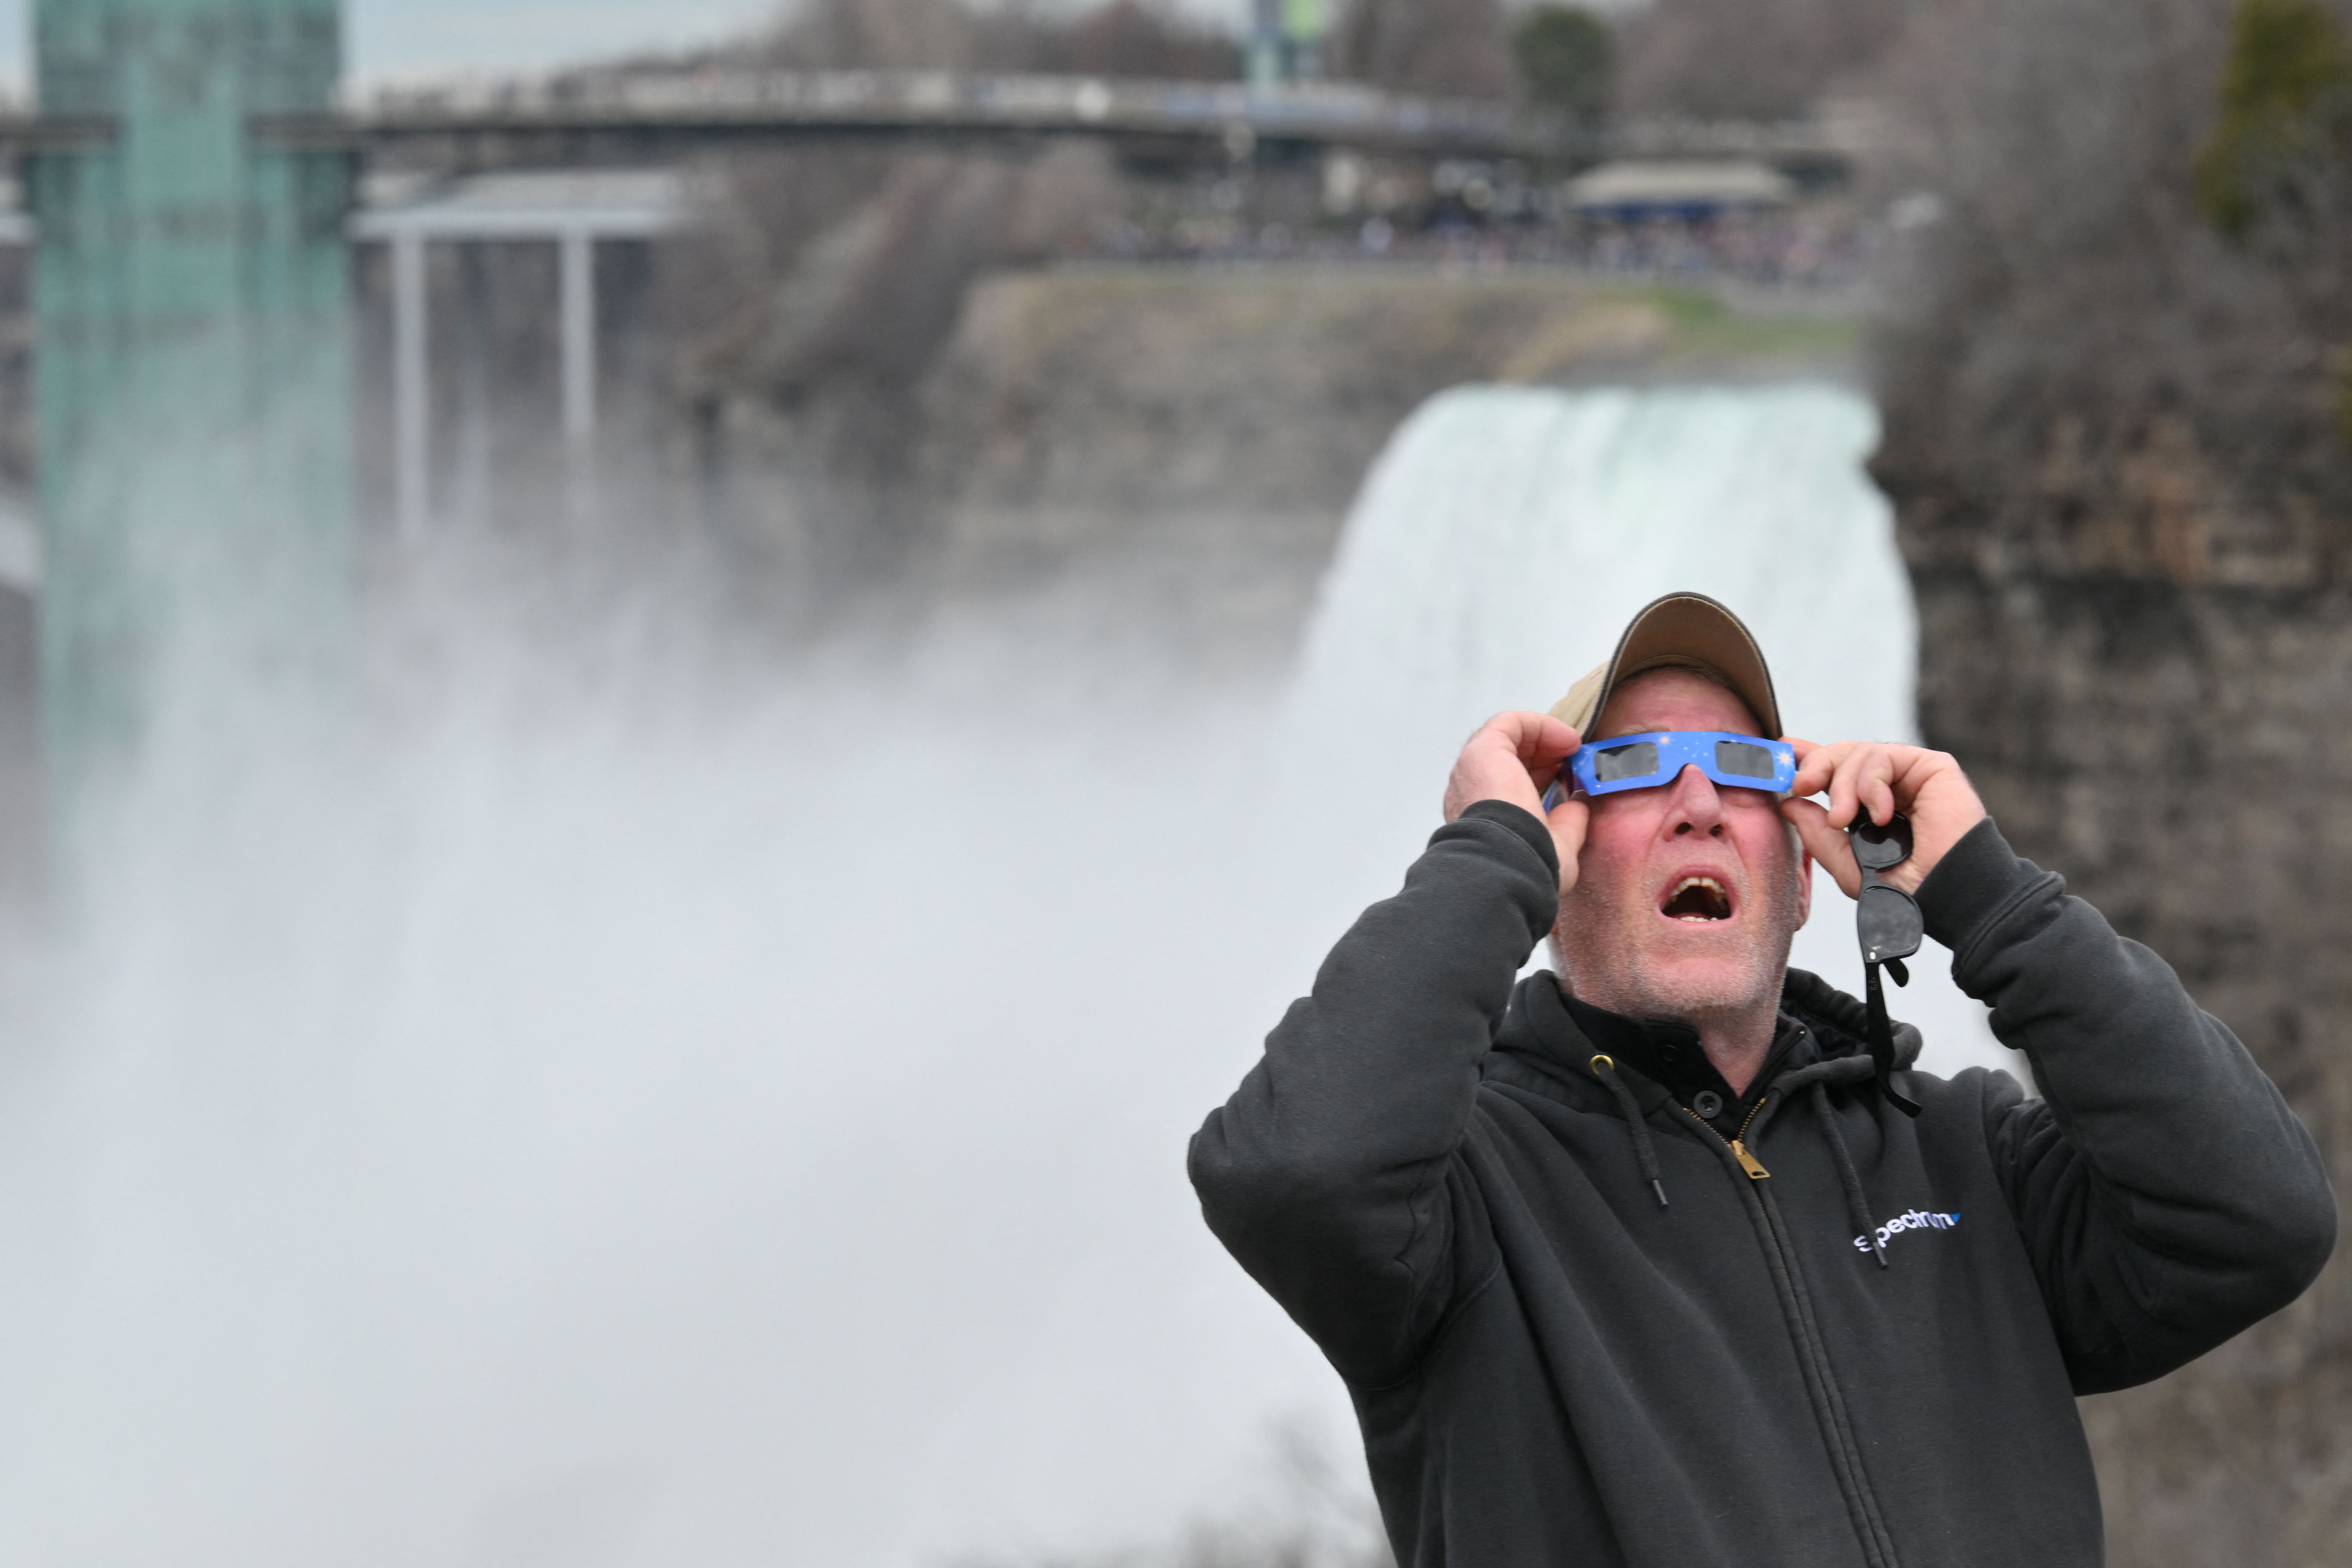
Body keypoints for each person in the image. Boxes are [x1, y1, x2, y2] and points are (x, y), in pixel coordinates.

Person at [1189, 591, 2335, 1568]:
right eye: (1633, 770)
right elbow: (1294, 1172)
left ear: (1801, 875)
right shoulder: (1465, 1197)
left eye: (1743, 772)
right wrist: (1491, 852)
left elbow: (2258, 1218)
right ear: (1560, 869)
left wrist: (1994, 901)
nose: (1698, 803)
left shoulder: (1964, 1150)